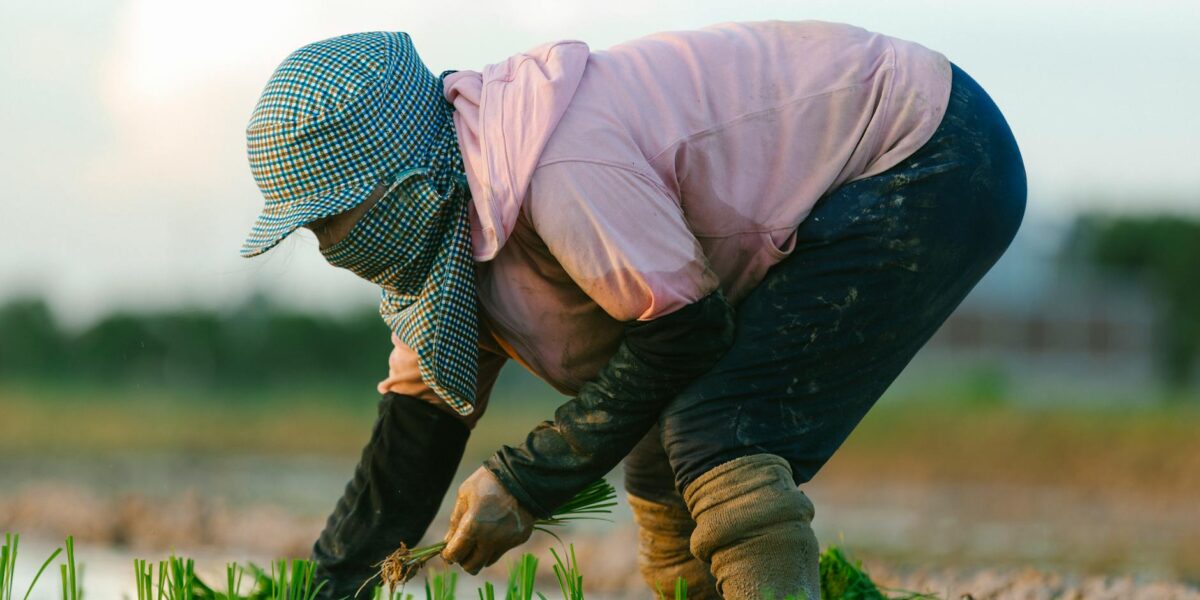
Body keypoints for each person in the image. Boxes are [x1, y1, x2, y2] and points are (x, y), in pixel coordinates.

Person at [241, 20, 1025, 600]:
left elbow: (685, 332)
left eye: (324, 219)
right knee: (657, 464)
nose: (321, 244)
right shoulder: (445, 250)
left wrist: (525, 481)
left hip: (928, 149)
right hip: (870, 173)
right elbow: (413, 437)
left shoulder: (556, 164)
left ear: (393, 179)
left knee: (721, 428)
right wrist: (330, 589)